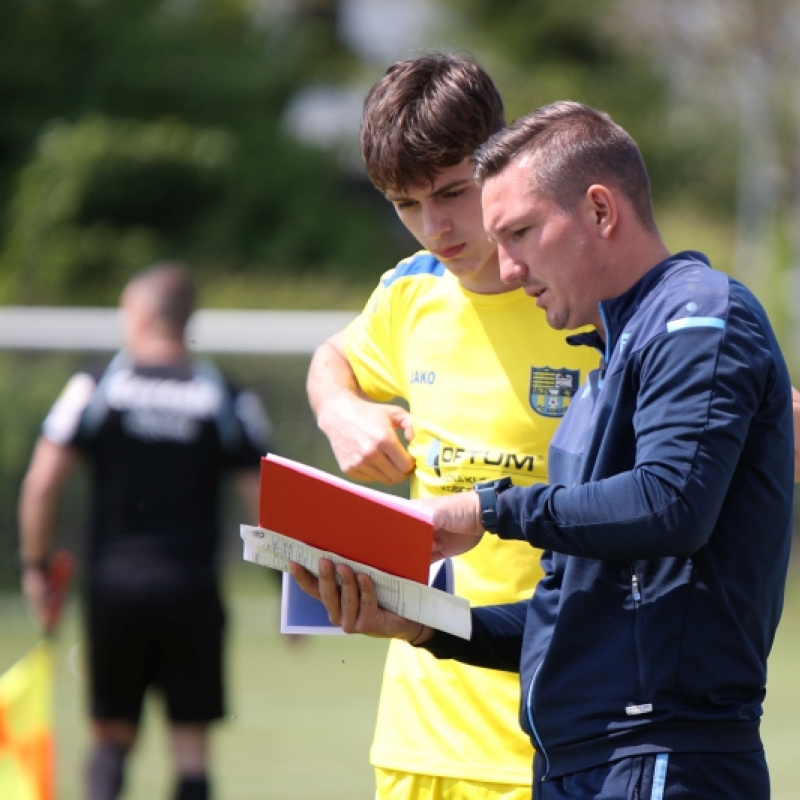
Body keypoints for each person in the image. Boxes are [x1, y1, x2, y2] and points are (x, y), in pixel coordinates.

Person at [293, 101, 795, 800]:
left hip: (663, 756)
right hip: (583, 761)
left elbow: (672, 503)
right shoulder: (605, 366)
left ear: (599, 210)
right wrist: (421, 623)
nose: (507, 264)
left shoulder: (700, 317)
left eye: (522, 232)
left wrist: (488, 509)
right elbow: (569, 615)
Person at [305, 55, 599, 800]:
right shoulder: (409, 293)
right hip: (417, 736)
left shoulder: (586, 297)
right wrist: (341, 409)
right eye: (404, 204)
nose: (433, 228)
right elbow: (332, 359)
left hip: (551, 736)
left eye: (451, 194)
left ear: (502, 161)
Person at [18, 262, 271, 800]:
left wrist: (37, 567)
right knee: (191, 745)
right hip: (192, 591)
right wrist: (287, 589)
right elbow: (263, 500)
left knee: (111, 736)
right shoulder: (222, 393)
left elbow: (42, 484)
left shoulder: (97, 384)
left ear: (140, 315)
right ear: (184, 320)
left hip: (115, 589)